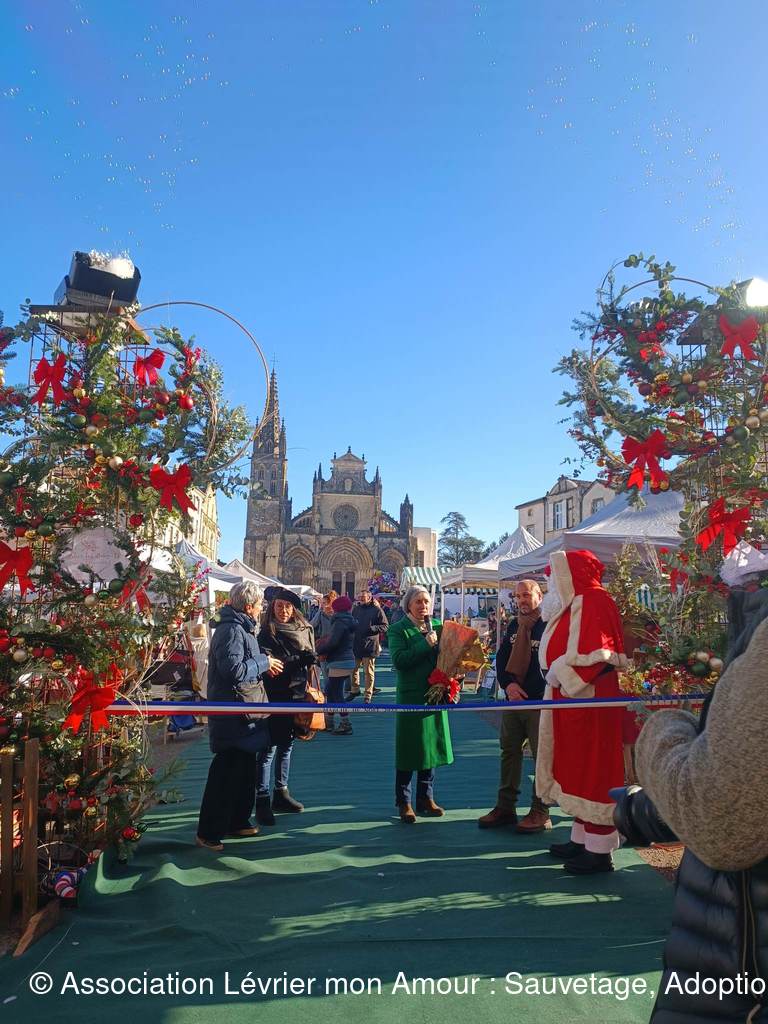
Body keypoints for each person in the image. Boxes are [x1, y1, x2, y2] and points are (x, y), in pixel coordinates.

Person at [536, 549, 628, 874]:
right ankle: (582, 838)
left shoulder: (594, 600)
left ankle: (599, 850)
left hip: (589, 702)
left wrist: (561, 672)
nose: (549, 583)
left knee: (594, 769)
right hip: (572, 702)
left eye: (553, 576)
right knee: (576, 767)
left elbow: (599, 657)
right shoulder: (575, 601)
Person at [196, 581, 283, 851]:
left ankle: (237, 820)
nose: (261, 609)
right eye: (259, 605)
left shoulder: (241, 627)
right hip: (234, 713)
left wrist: (262, 660)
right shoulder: (232, 629)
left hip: (245, 712)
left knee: (244, 770)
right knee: (226, 773)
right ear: (248, 607)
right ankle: (209, 831)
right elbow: (233, 670)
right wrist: (263, 663)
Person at [478, 579, 550, 833]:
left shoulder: (548, 624)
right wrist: (508, 685)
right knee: (509, 752)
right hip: (514, 699)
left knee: (542, 756)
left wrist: (532, 691)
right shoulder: (513, 624)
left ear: (539, 596)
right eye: (518, 596)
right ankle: (505, 807)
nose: (521, 600)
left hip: (540, 701)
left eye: (526, 595)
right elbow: (502, 659)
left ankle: (540, 810)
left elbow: (551, 664)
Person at [388, 585, 453, 823]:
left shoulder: (438, 625)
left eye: (426, 601)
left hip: (434, 694)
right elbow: (399, 660)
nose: (423, 605)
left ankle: (426, 798)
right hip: (411, 696)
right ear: (408, 604)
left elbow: (447, 657)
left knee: (430, 746)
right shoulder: (398, 629)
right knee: (409, 748)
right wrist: (425, 644)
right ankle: (404, 801)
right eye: (418, 601)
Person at [255, 587, 316, 824]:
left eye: (288, 606)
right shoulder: (266, 633)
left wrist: (310, 661)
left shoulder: (303, 629)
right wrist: (299, 660)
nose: (283, 610)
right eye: (279, 606)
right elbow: (273, 668)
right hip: (275, 695)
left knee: (287, 745)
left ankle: (281, 792)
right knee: (268, 748)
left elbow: (310, 657)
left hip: (298, 695)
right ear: (272, 607)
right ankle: (262, 798)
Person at [316, 594, 356, 735]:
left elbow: (333, 642)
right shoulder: (349, 621)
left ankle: (346, 724)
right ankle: (329, 722)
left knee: (336, 693)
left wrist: (319, 650)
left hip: (339, 661)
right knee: (331, 691)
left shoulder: (340, 622)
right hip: (345, 660)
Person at [350, 590, 389, 702]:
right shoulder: (356, 609)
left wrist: (373, 628)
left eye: (363, 597)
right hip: (356, 644)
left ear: (369, 597)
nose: (361, 599)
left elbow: (385, 626)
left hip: (370, 645)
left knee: (368, 672)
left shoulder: (377, 610)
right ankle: (355, 690)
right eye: (360, 597)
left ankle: (368, 694)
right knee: (353, 669)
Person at [310, 590, 337, 692]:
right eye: (321, 603)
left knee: (331, 674)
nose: (322, 605)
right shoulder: (322, 614)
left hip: (331, 646)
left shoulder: (335, 614)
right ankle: (330, 694)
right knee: (328, 674)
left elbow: (312, 625)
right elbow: (312, 625)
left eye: (324, 603)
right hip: (327, 646)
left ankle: (331, 694)